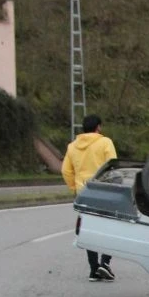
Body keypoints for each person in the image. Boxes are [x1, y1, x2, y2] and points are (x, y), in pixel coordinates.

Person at [62, 115, 119, 280]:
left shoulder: (72, 147)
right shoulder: (105, 142)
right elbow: (113, 166)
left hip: (84, 191)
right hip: (104, 190)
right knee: (110, 227)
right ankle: (105, 263)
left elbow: (66, 171)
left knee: (89, 228)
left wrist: (74, 187)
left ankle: (94, 268)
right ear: (98, 127)